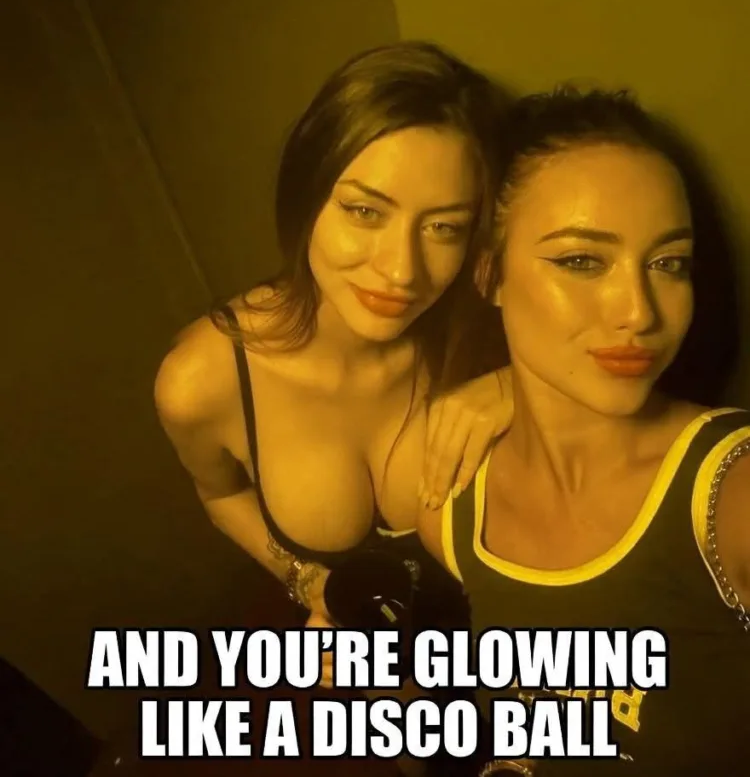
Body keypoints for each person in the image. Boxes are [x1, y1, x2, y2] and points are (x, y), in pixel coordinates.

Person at [418, 87, 750, 774]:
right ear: (489, 273)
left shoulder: (732, 500)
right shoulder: (447, 505)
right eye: (581, 261)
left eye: (669, 263)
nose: (640, 312)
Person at [154, 42, 514, 657]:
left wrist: (517, 388)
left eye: (444, 227)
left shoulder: (487, 317)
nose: (402, 271)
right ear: (308, 196)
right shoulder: (201, 381)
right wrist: (310, 583)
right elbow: (221, 494)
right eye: (365, 211)